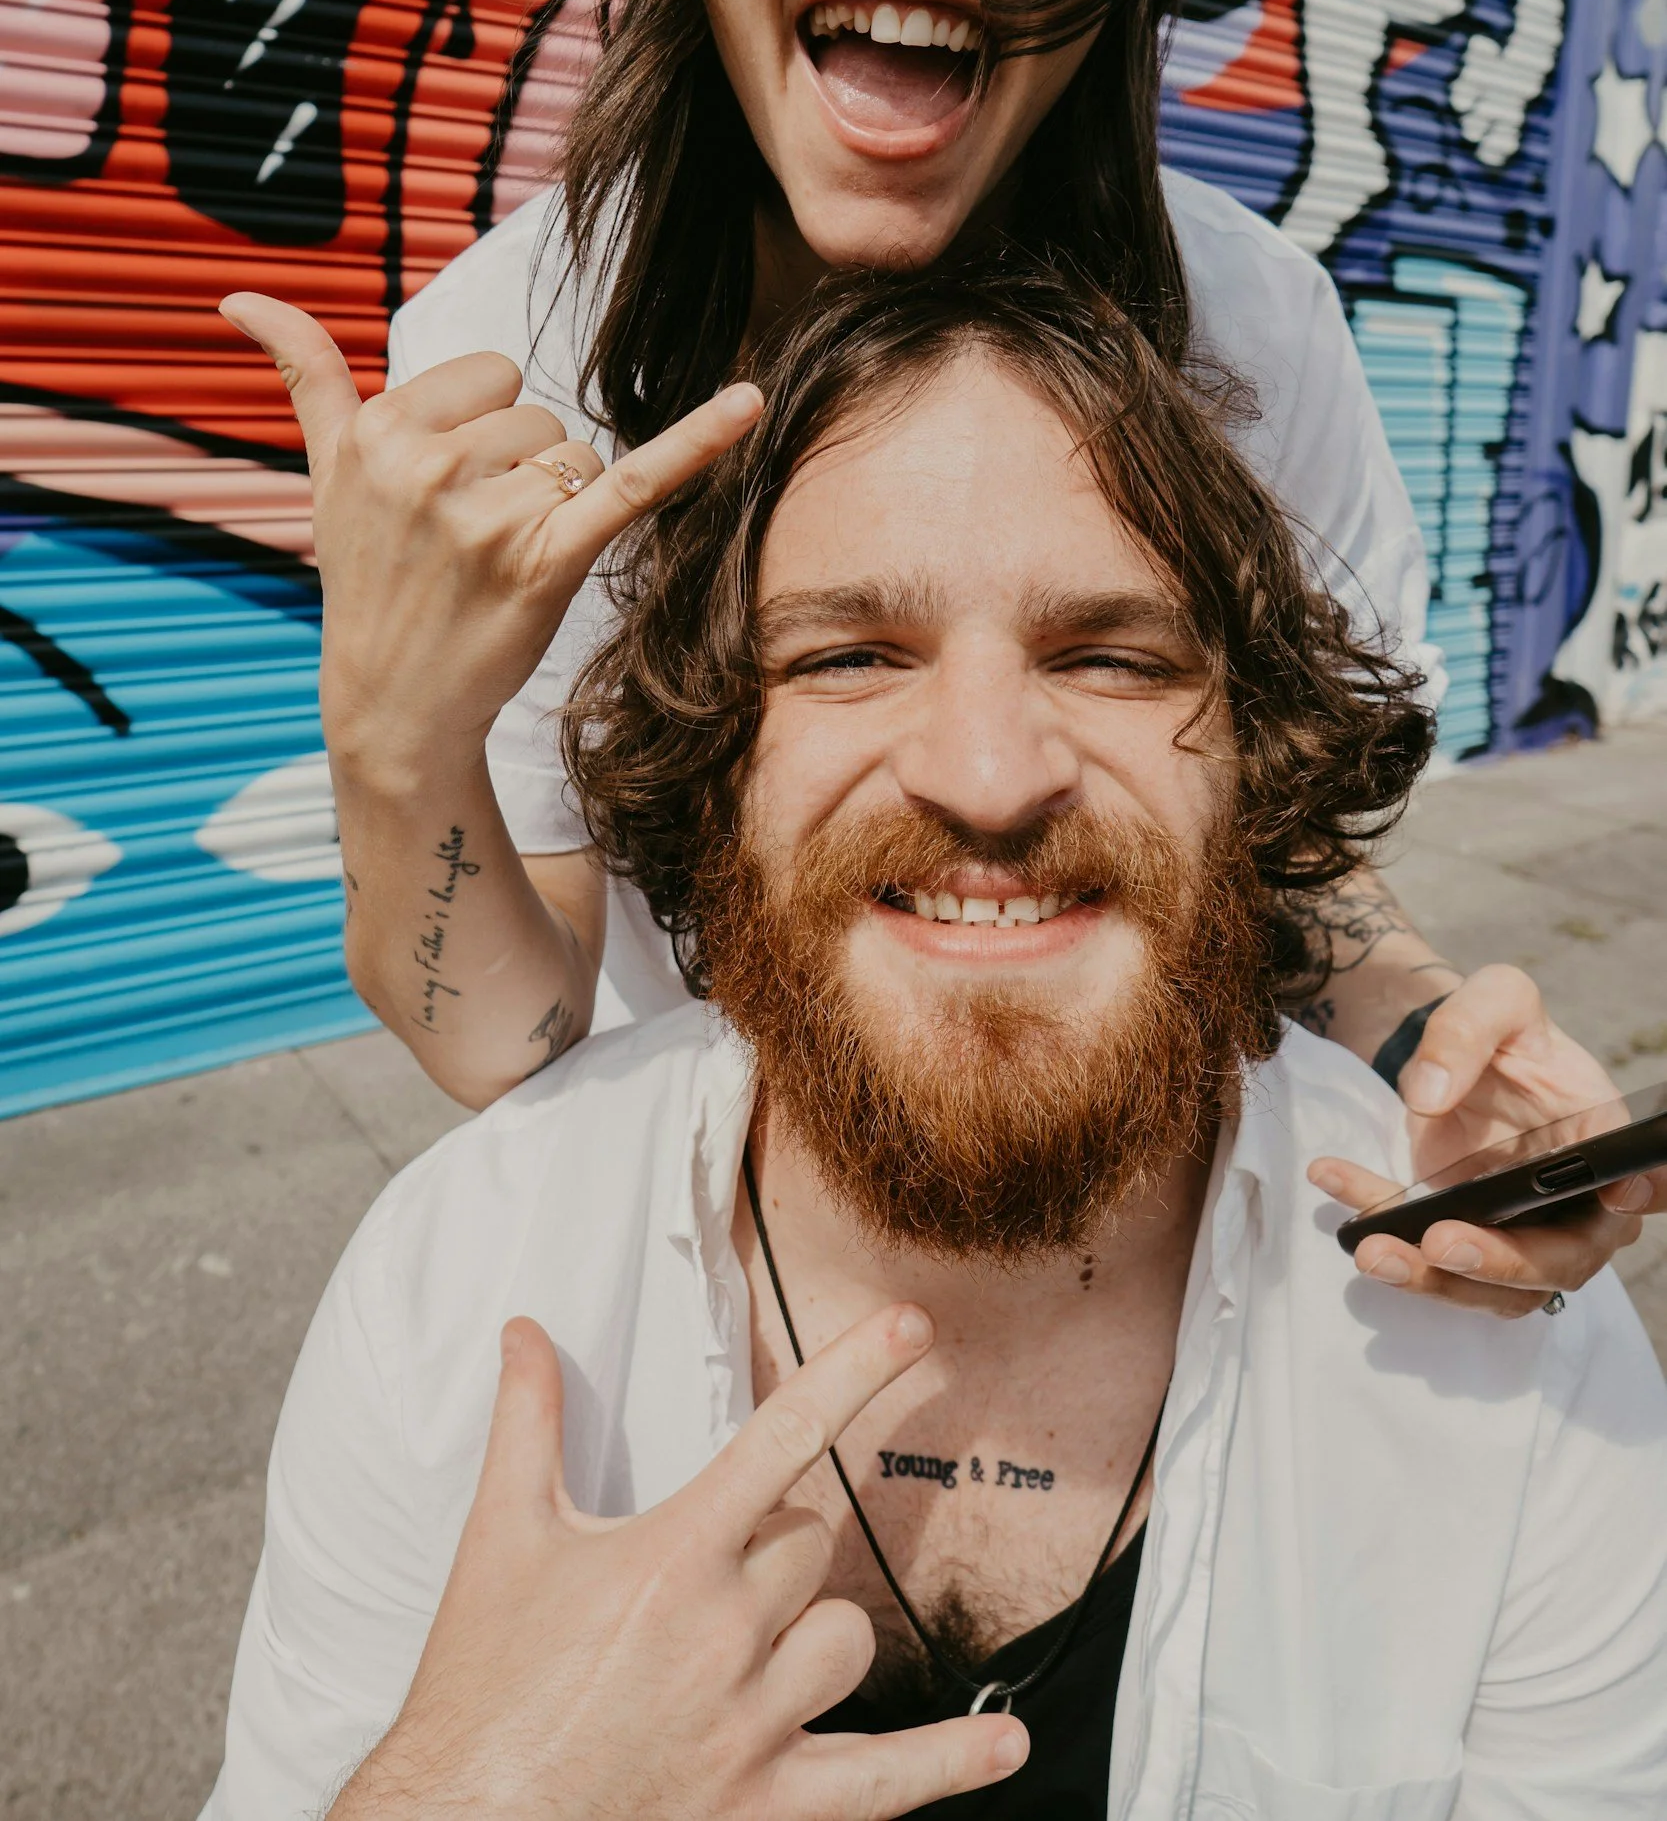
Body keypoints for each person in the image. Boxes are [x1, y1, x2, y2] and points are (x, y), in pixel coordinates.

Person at [224, 0, 1662, 1308]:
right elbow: (514, 1041)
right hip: (720, 1310)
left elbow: (1282, 865)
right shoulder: (512, 354)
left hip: (1148, 1297)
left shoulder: (1252, 334)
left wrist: (1435, 1051)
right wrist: (396, 753)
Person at [204, 262, 1667, 1821]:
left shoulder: (1505, 1345)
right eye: (849, 655)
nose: (984, 774)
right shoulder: (463, 1281)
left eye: (1110, 655)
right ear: (721, 764)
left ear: (1252, 762)